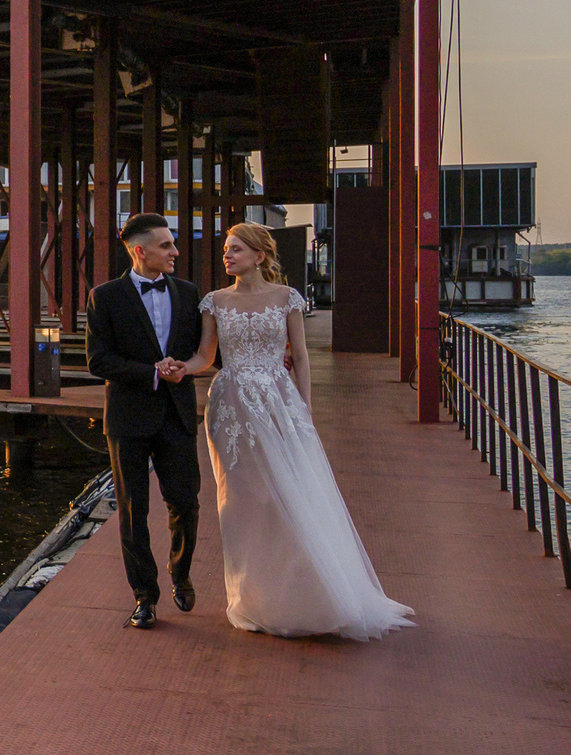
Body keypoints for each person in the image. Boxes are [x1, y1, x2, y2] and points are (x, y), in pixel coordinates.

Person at [173, 222, 415, 640]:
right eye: (226, 249)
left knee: (287, 493)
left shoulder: (287, 298)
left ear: (259, 256)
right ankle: (253, 598)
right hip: (230, 407)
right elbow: (206, 355)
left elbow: (300, 358)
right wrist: (181, 368)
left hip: (278, 401)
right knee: (241, 499)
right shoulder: (214, 302)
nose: (227, 256)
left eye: (236, 249)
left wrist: (304, 410)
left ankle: (305, 595)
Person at [85, 214, 203, 630]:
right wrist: (152, 371)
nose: (174, 252)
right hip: (128, 416)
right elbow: (98, 360)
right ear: (141, 251)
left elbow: (204, 353)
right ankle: (144, 596)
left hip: (176, 414)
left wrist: (183, 369)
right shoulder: (105, 297)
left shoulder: (189, 294)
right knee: (133, 511)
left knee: (186, 502)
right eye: (167, 245)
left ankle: (180, 570)